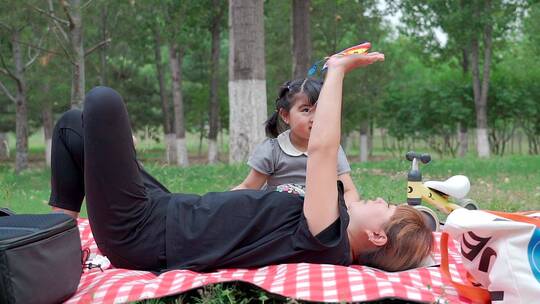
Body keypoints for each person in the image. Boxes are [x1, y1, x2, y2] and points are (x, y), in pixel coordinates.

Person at [49, 51, 433, 273]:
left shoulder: (326, 238)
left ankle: (47, 247)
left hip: (142, 234)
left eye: (387, 208)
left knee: (103, 101)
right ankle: (51, 239)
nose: (381, 200)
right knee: (74, 126)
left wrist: (337, 72)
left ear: (377, 236)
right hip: (164, 211)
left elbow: (322, 151)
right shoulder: (330, 230)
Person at [232, 78, 360, 203]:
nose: (315, 118)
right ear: (285, 115)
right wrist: (220, 204)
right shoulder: (273, 150)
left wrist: (345, 213)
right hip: (279, 217)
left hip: (320, 218)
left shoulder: (331, 149)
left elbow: (349, 191)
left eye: (322, 110)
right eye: (306, 110)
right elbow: (248, 187)